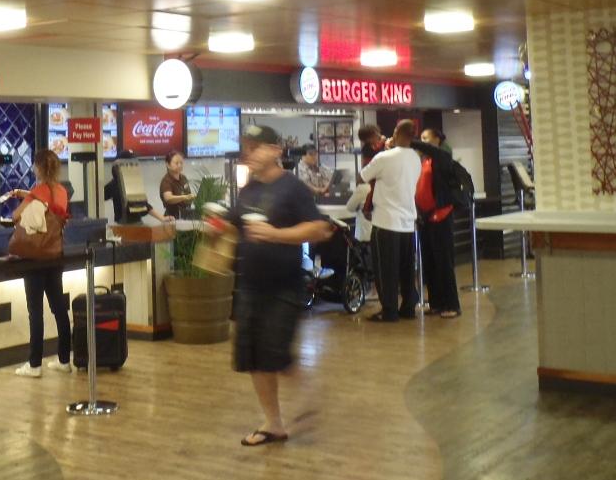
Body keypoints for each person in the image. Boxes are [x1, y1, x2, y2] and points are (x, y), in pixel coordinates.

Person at [209, 124, 330, 447]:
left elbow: (319, 229)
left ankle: (307, 394)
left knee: (276, 354)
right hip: (250, 285)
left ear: (275, 150)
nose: (249, 153)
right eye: (247, 147)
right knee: (254, 358)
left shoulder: (293, 188)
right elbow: (234, 223)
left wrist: (276, 235)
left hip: (284, 286)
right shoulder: (248, 191)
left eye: (256, 147)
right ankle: (273, 423)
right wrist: (217, 227)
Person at [6, 149, 73, 377]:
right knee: (59, 308)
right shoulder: (62, 191)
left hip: (34, 258)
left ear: (38, 168)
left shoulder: (37, 192)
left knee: (35, 311)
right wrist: (29, 195)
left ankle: (34, 364)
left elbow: (16, 216)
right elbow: (52, 207)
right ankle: (64, 360)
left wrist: (27, 198)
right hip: (55, 254)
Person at [359, 120, 421, 322]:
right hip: (408, 222)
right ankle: (409, 307)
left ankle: (389, 310)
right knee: (406, 268)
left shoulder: (384, 157)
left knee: (385, 269)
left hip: (385, 221)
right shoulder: (416, 158)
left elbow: (363, 176)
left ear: (397, 133)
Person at [414, 128, 464, 319]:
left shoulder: (443, 156)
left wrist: (410, 141)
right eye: (421, 138)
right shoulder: (425, 160)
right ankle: (436, 303)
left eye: (426, 138)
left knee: (443, 261)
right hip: (425, 217)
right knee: (430, 261)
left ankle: (452, 304)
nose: (423, 141)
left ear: (437, 139)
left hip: (441, 215)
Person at [344, 124, 386, 243]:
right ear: (368, 138)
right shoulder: (368, 149)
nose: (378, 136)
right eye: (375, 134)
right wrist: (383, 142)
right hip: (368, 235)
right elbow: (378, 156)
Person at [159, 150, 194, 219]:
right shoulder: (166, 181)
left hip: (186, 214)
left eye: (181, 163)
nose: (179, 165)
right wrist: (184, 197)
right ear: (168, 165)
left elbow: (187, 193)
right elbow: (168, 198)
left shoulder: (183, 177)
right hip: (173, 217)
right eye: (176, 163)